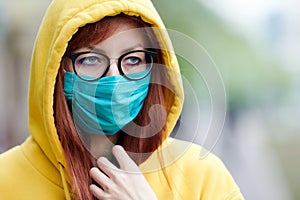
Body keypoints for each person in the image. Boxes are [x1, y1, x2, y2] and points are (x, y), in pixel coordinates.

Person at [0, 0, 244, 199]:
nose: (115, 78)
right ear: (56, 70)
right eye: (90, 59)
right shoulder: (6, 180)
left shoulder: (204, 177)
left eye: (133, 60)